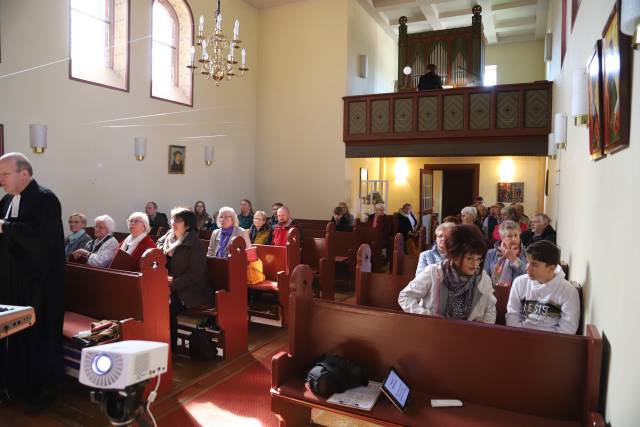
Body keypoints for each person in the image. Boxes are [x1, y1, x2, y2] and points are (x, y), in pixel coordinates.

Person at [0, 152, 65, 412]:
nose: (0, 180)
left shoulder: (45, 200)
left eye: (4, 174)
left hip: (40, 286)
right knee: (14, 336)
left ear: (23, 174)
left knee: (40, 336)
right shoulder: (6, 200)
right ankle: (14, 385)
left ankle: (43, 390)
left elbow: (39, 240)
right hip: (11, 284)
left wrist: (5, 227)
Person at [398, 225, 496, 323]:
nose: (475, 264)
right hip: (434, 331)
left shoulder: (483, 278)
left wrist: (484, 327)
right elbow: (405, 297)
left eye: (478, 259)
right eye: (469, 258)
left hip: (469, 335)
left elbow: (490, 309)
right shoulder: (434, 272)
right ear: (455, 255)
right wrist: (428, 316)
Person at [157, 208, 210, 349]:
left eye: (178, 221)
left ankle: (171, 348)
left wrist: (171, 286)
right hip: (170, 285)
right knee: (151, 302)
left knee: (166, 308)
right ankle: (158, 342)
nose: (173, 223)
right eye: (172, 219)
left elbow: (195, 275)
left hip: (191, 290)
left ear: (187, 224)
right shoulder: (167, 238)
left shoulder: (195, 244)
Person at [506, 241, 579, 334]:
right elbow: (512, 314)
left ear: (551, 268)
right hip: (521, 337)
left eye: (534, 264)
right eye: (528, 262)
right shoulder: (519, 282)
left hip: (551, 343)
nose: (527, 268)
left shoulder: (568, 291)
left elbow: (567, 330)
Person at [484, 220, 527, 288]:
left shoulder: (526, 253)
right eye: (509, 236)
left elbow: (528, 275)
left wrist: (514, 260)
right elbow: (484, 276)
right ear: (502, 238)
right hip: (494, 292)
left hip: (518, 293)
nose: (513, 239)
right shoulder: (491, 253)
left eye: (516, 235)